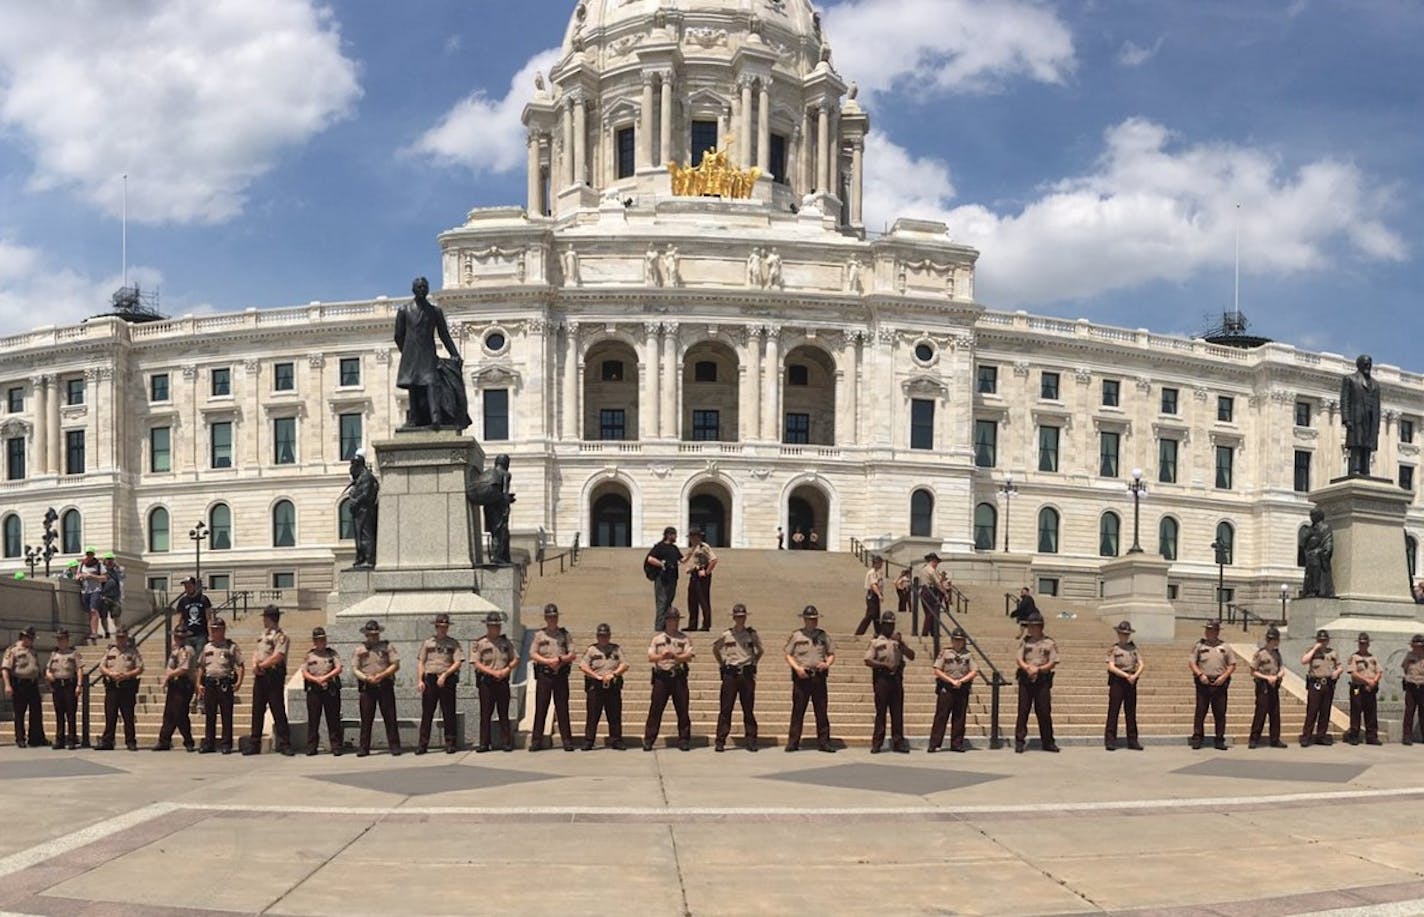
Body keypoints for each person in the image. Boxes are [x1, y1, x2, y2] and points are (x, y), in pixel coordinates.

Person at [394, 275, 462, 430]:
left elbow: (444, 334)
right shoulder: (403, 310)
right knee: (414, 386)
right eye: (419, 287)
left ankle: (436, 418)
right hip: (411, 354)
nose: (422, 289)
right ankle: (414, 419)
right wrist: (406, 352)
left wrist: (454, 354)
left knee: (432, 383)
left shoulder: (435, 311)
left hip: (428, 354)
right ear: (413, 290)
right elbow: (398, 335)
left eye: (424, 287)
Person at [711, 603, 763, 752]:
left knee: (748, 709)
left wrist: (753, 662)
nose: (740, 619)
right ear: (734, 617)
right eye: (738, 617)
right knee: (726, 709)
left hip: (746, 674)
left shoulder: (751, 634)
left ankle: (751, 740)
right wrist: (722, 663)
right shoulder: (727, 635)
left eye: (742, 616)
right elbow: (716, 649)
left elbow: (760, 651)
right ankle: (720, 740)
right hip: (731, 674)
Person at [784, 605, 836, 753]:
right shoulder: (797, 636)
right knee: (798, 711)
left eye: (814, 619)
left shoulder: (823, 636)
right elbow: (788, 654)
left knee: (821, 711)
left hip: (818, 677)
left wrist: (827, 663)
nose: (812, 622)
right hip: (802, 676)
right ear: (804, 620)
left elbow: (831, 653)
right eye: (809, 619)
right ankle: (793, 742)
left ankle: (824, 742)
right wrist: (797, 668)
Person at [643, 607, 695, 751]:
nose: (673, 622)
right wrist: (662, 657)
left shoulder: (684, 638)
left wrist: (676, 657)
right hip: (662, 677)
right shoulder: (657, 639)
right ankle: (649, 739)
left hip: (678, 676)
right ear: (666, 621)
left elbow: (689, 656)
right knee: (655, 710)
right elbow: (650, 657)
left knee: (683, 710)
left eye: (676, 620)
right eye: (671, 619)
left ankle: (684, 739)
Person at [244, 605, 293, 756]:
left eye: (265, 617)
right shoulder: (263, 634)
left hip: (273, 675)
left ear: (270, 618)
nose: (263, 620)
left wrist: (262, 666)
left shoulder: (281, 636)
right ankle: (254, 744)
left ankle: (285, 743)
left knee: (277, 709)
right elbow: (257, 652)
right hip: (260, 675)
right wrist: (255, 664)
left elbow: (278, 656)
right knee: (257, 710)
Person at [865, 610, 915, 754]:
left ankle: (898, 742)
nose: (890, 627)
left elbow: (912, 656)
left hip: (896, 679)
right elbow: (868, 660)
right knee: (881, 712)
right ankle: (877, 743)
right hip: (882, 678)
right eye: (887, 625)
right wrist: (884, 665)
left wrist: (901, 645)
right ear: (882, 625)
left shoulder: (898, 640)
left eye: (892, 625)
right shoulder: (876, 641)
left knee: (897, 712)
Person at [529, 603, 577, 752]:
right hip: (544, 674)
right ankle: (536, 741)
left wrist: (561, 660)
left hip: (560, 674)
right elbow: (533, 653)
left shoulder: (564, 634)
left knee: (562, 708)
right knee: (541, 707)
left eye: (554, 617)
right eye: (550, 617)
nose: (552, 619)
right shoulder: (539, 635)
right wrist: (548, 661)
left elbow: (572, 654)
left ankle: (567, 741)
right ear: (545, 618)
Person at [416, 613, 464, 754]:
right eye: (440, 627)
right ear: (436, 627)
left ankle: (450, 743)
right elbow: (421, 661)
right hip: (430, 679)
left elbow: (457, 662)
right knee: (427, 714)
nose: (443, 629)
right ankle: (422, 744)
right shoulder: (428, 643)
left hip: (446, 680)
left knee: (449, 713)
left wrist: (445, 675)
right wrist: (420, 680)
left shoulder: (453, 643)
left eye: (445, 627)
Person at [352, 619, 401, 757]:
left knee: (390, 717)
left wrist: (382, 675)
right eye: (370, 634)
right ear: (366, 635)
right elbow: (355, 668)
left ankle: (395, 746)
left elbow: (396, 664)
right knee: (366, 718)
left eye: (375, 634)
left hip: (384, 683)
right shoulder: (359, 649)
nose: (373, 637)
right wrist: (366, 678)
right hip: (367, 686)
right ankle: (363, 747)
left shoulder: (387, 647)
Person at [472, 612, 518, 752]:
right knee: (486, 713)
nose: (496, 628)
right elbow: (475, 662)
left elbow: (515, 658)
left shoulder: (506, 642)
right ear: (487, 626)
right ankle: (484, 743)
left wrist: (507, 669)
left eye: (498, 625)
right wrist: (492, 672)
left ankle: (506, 742)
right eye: (493, 626)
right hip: (487, 682)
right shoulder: (480, 643)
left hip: (502, 680)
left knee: (503, 712)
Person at [1014, 611, 1059, 753]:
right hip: (1026, 678)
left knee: (1044, 711)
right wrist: (1027, 668)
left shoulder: (1049, 643)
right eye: (1029, 626)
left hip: (1042, 679)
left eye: (1033, 626)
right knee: (1023, 711)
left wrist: (1038, 670)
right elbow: (1019, 658)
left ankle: (1048, 742)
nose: (1030, 629)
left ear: (1040, 627)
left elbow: (1053, 661)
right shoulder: (1025, 641)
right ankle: (1020, 741)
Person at [197, 618, 243, 754]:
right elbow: (201, 667)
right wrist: (198, 683)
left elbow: (240, 665)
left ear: (223, 630)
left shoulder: (230, 646)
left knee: (226, 715)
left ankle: (226, 744)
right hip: (210, 683)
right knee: (210, 715)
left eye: (217, 629)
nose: (214, 632)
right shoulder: (207, 647)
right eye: (212, 629)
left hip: (224, 683)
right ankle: (209, 743)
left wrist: (239, 682)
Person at [579, 623, 628, 750]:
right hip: (596, 685)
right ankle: (589, 740)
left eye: (606, 636)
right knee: (592, 716)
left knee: (614, 715)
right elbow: (583, 666)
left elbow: (624, 664)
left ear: (609, 636)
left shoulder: (616, 649)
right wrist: (595, 676)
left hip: (612, 685)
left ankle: (616, 740)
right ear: (597, 636)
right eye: (601, 636)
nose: (603, 638)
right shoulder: (592, 650)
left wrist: (614, 674)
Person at [1189, 620, 1236, 750]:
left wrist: (1224, 677)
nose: (1209, 633)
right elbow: (1192, 662)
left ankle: (1219, 739)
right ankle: (1197, 737)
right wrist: (1200, 675)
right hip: (1203, 681)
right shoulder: (1199, 646)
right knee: (1200, 711)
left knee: (1220, 712)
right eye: (1207, 630)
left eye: (1212, 630)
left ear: (1217, 632)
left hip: (1220, 682)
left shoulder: (1225, 647)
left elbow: (1232, 664)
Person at [928, 627, 977, 753]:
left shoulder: (968, 655)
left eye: (960, 640)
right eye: (956, 640)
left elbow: (974, 671)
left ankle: (957, 743)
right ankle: (934, 743)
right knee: (941, 716)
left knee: (960, 717)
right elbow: (937, 670)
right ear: (952, 640)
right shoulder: (945, 653)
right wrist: (951, 681)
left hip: (961, 686)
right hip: (947, 686)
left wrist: (962, 681)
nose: (958, 643)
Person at [96, 627, 143, 751]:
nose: (121, 640)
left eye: (123, 637)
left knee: (128, 716)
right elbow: (101, 667)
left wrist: (128, 675)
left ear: (127, 638)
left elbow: (140, 668)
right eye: (119, 637)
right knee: (110, 715)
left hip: (127, 686)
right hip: (112, 687)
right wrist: (110, 674)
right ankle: (107, 741)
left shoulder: (132, 652)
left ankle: (130, 741)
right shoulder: (110, 651)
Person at [153, 625, 197, 752]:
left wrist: (168, 676)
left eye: (181, 637)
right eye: (177, 636)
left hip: (184, 684)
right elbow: (170, 666)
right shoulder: (175, 650)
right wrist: (168, 676)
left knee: (180, 713)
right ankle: (164, 740)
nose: (178, 639)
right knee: (169, 714)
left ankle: (188, 741)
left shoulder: (187, 650)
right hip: (174, 684)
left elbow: (183, 669)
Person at [301, 627, 344, 756]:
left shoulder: (332, 653)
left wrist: (325, 677)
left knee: (333, 718)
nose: (321, 642)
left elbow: (338, 668)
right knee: (313, 719)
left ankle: (336, 746)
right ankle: (312, 746)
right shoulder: (309, 655)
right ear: (314, 641)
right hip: (314, 689)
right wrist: (316, 679)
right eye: (318, 640)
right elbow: (304, 672)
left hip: (329, 688)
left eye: (323, 639)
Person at [2, 626, 46, 748]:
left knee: (36, 712)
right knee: (20, 713)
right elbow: (5, 669)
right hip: (19, 684)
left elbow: (36, 667)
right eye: (30, 638)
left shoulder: (33, 651)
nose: (32, 641)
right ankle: (20, 738)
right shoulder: (13, 650)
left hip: (33, 684)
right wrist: (7, 685)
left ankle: (35, 738)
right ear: (24, 637)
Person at [1104, 621, 1145, 751]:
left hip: (1131, 680)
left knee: (1131, 712)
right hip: (1118, 680)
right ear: (1118, 634)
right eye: (1122, 634)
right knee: (1114, 711)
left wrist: (1135, 675)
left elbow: (1141, 663)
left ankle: (1132, 740)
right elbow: (1111, 666)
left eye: (1126, 634)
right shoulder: (1114, 649)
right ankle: (1110, 740)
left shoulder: (1133, 648)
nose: (1124, 636)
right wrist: (1125, 676)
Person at [1299, 628, 1342, 747]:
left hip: (1328, 684)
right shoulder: (1312, 652)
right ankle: (1306, 736)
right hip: (1315, 684)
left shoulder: (1332, 653)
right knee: (1312, 711)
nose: (1323, 642)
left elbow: (1340, 666)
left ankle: (1321, 736)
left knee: (1325, 711)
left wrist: (1337, 672)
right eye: (1320, 640)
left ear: (1328, 641)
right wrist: (1314, 649)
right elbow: (1304, 661)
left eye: (1324, 640)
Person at [1248, 626, 1288, 749]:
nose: (1273, 641)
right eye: (1271, 639)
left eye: (1275, 639)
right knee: (1260, 713)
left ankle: (1275, 739)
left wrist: (1278, 675)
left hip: (1274, 685)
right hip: (1263, 685)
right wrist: (1267, 678)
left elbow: (1281, 668)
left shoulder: (1277, 654)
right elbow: (1253, 671)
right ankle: (1254, 739)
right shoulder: (1260, 654)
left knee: (1275, 713)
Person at [45, 629, 81, 749]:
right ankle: (59, 739)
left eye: (63, 639)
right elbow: (48, 668)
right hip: (57, 685)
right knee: (59, 713)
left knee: (71, 713)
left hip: (69, 684)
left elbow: (79, 669)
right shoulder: (54, 654)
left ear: (67, 640)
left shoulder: (73, 653)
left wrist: (79, 685)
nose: (61, 642)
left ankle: (71, 739)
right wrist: (48, 674)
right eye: (59, 639)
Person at [1346, 632, 1383, 746]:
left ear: (1368, 644)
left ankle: (1371, 736)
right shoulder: (1354, 657)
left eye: (1365, 644)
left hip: (1370, 688)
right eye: (1361, 644)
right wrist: (1367, 681)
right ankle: (1354, 736)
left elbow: (1379, 671)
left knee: (1371, 712)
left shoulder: (1373, 658)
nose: (1363, 646)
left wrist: (1374, 681)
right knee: (1356, 711)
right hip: (1358, 688)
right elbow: (1353, 673)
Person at [346, 450, 380, 569]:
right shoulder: (360, 477)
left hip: (365, 510)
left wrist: (355, 500)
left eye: (353, 464)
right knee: (359, 536)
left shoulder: (366, 477)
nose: (351, 467)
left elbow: (366, 494)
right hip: (359, 512)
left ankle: (369, 559)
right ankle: (361, 558)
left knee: (366, 535)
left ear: (358, 464)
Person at [645, 526, 682, 630]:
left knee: (668, 603)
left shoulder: (674, 548)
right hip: (662, 579)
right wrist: (662, 564)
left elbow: (682, 559)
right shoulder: (659, 547)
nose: (676, 536)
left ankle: (667, 627)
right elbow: (650, 559)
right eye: (674, 534)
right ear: (668, 535)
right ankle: (659, 628)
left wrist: (693, 552)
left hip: (673, 579)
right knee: (662, 603)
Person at [680, 529, 718, 632]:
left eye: (692, 537)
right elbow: (685, 559)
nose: (691, 539)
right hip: (694, 574)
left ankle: (706, 624)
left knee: (703, 600)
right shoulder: (693, 548)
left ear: (697, 537)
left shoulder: (703, 547)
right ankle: (692, 624)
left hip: (702, 576)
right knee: (692, 600)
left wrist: (706, 572)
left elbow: (714, 560)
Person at [173, 577, 213, 657]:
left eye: (189, 586)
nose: (187, 588)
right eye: (185, 586)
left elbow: (209, 618)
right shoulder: (183, 601)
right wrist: (176, 635)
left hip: (201, 634)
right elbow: (180, 619)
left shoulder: (203, 599)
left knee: (199, 657)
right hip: (187, 634)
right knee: (188, 657)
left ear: (194, 586)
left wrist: (211, 634)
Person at [77, 547, 104, 643]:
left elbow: (104, 578)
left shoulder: (99, 565)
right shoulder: (81, 564)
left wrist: (91, 576)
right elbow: (77, 575)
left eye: (91, 554)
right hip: (85, 591)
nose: (89, 556)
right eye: (88, 554)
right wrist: (80, 577)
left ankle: (94, 632)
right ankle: (90, 631)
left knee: (93, 610)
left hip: (95, 590)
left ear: (93, 555)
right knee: (88, 611)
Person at [918, 553, 950, 637]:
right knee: (932, 613)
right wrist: (945, 593)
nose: (937, 565)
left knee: (929, 612)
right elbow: (938, 583)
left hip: (923, 591)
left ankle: (933, 631)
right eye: (936, 562)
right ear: (933, 561)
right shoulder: (931, 570)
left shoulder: (923, 569)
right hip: (930, 591)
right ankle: (926, 632)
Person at [855, 557, 885, 636]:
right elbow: (873, 585)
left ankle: (879, 632)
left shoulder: (879, 572)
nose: (881, 564)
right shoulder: (872, 573)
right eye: (880, 563)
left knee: (876, 616)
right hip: (872, 595)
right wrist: (879, 594)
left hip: (876, 594)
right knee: (870, 615)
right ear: (875, 563)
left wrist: (881, 593)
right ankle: (859, 632)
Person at [1403, 635, 1424, 745]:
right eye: (1415, 646)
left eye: (1419, 646)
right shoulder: (1409, 655)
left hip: (1422, 686)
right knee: (1409, 712)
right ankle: (1407, 737)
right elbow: (1405, 668)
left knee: (1423, 712)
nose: (1416, 648)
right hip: (1411, 685)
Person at [98, 553, 125, 637]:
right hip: (104, 597)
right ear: (104, 561)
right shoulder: (101, 571)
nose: (109, 561)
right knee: (103, 616)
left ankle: (118, 630)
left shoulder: (117, 571)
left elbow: (123, 575)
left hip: (115, 597)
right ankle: (106, 631)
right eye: (108, 559)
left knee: (116, 615)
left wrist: (117, 566)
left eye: (111, 559)